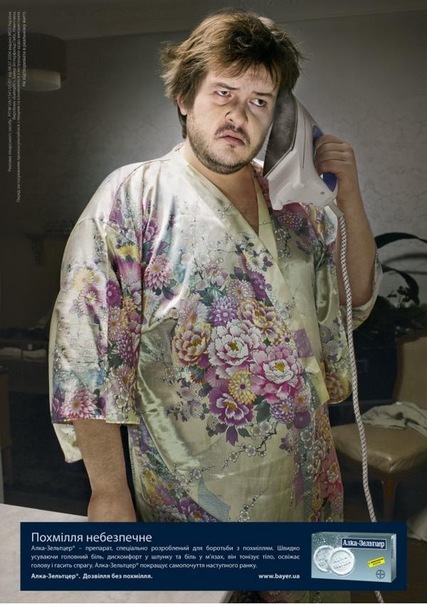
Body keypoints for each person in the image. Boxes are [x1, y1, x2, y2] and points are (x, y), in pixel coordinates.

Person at [49, 9, 380, 603]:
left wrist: (347, 196)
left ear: (280, 115)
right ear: (184, 97)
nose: (239, 115)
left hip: (306, 483)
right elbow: (87, 354)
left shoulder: (296, 206)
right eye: (223, 92)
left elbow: (353, 299)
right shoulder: (132, 197)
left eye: (260, 101)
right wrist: (109, 493)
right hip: (192, 497)